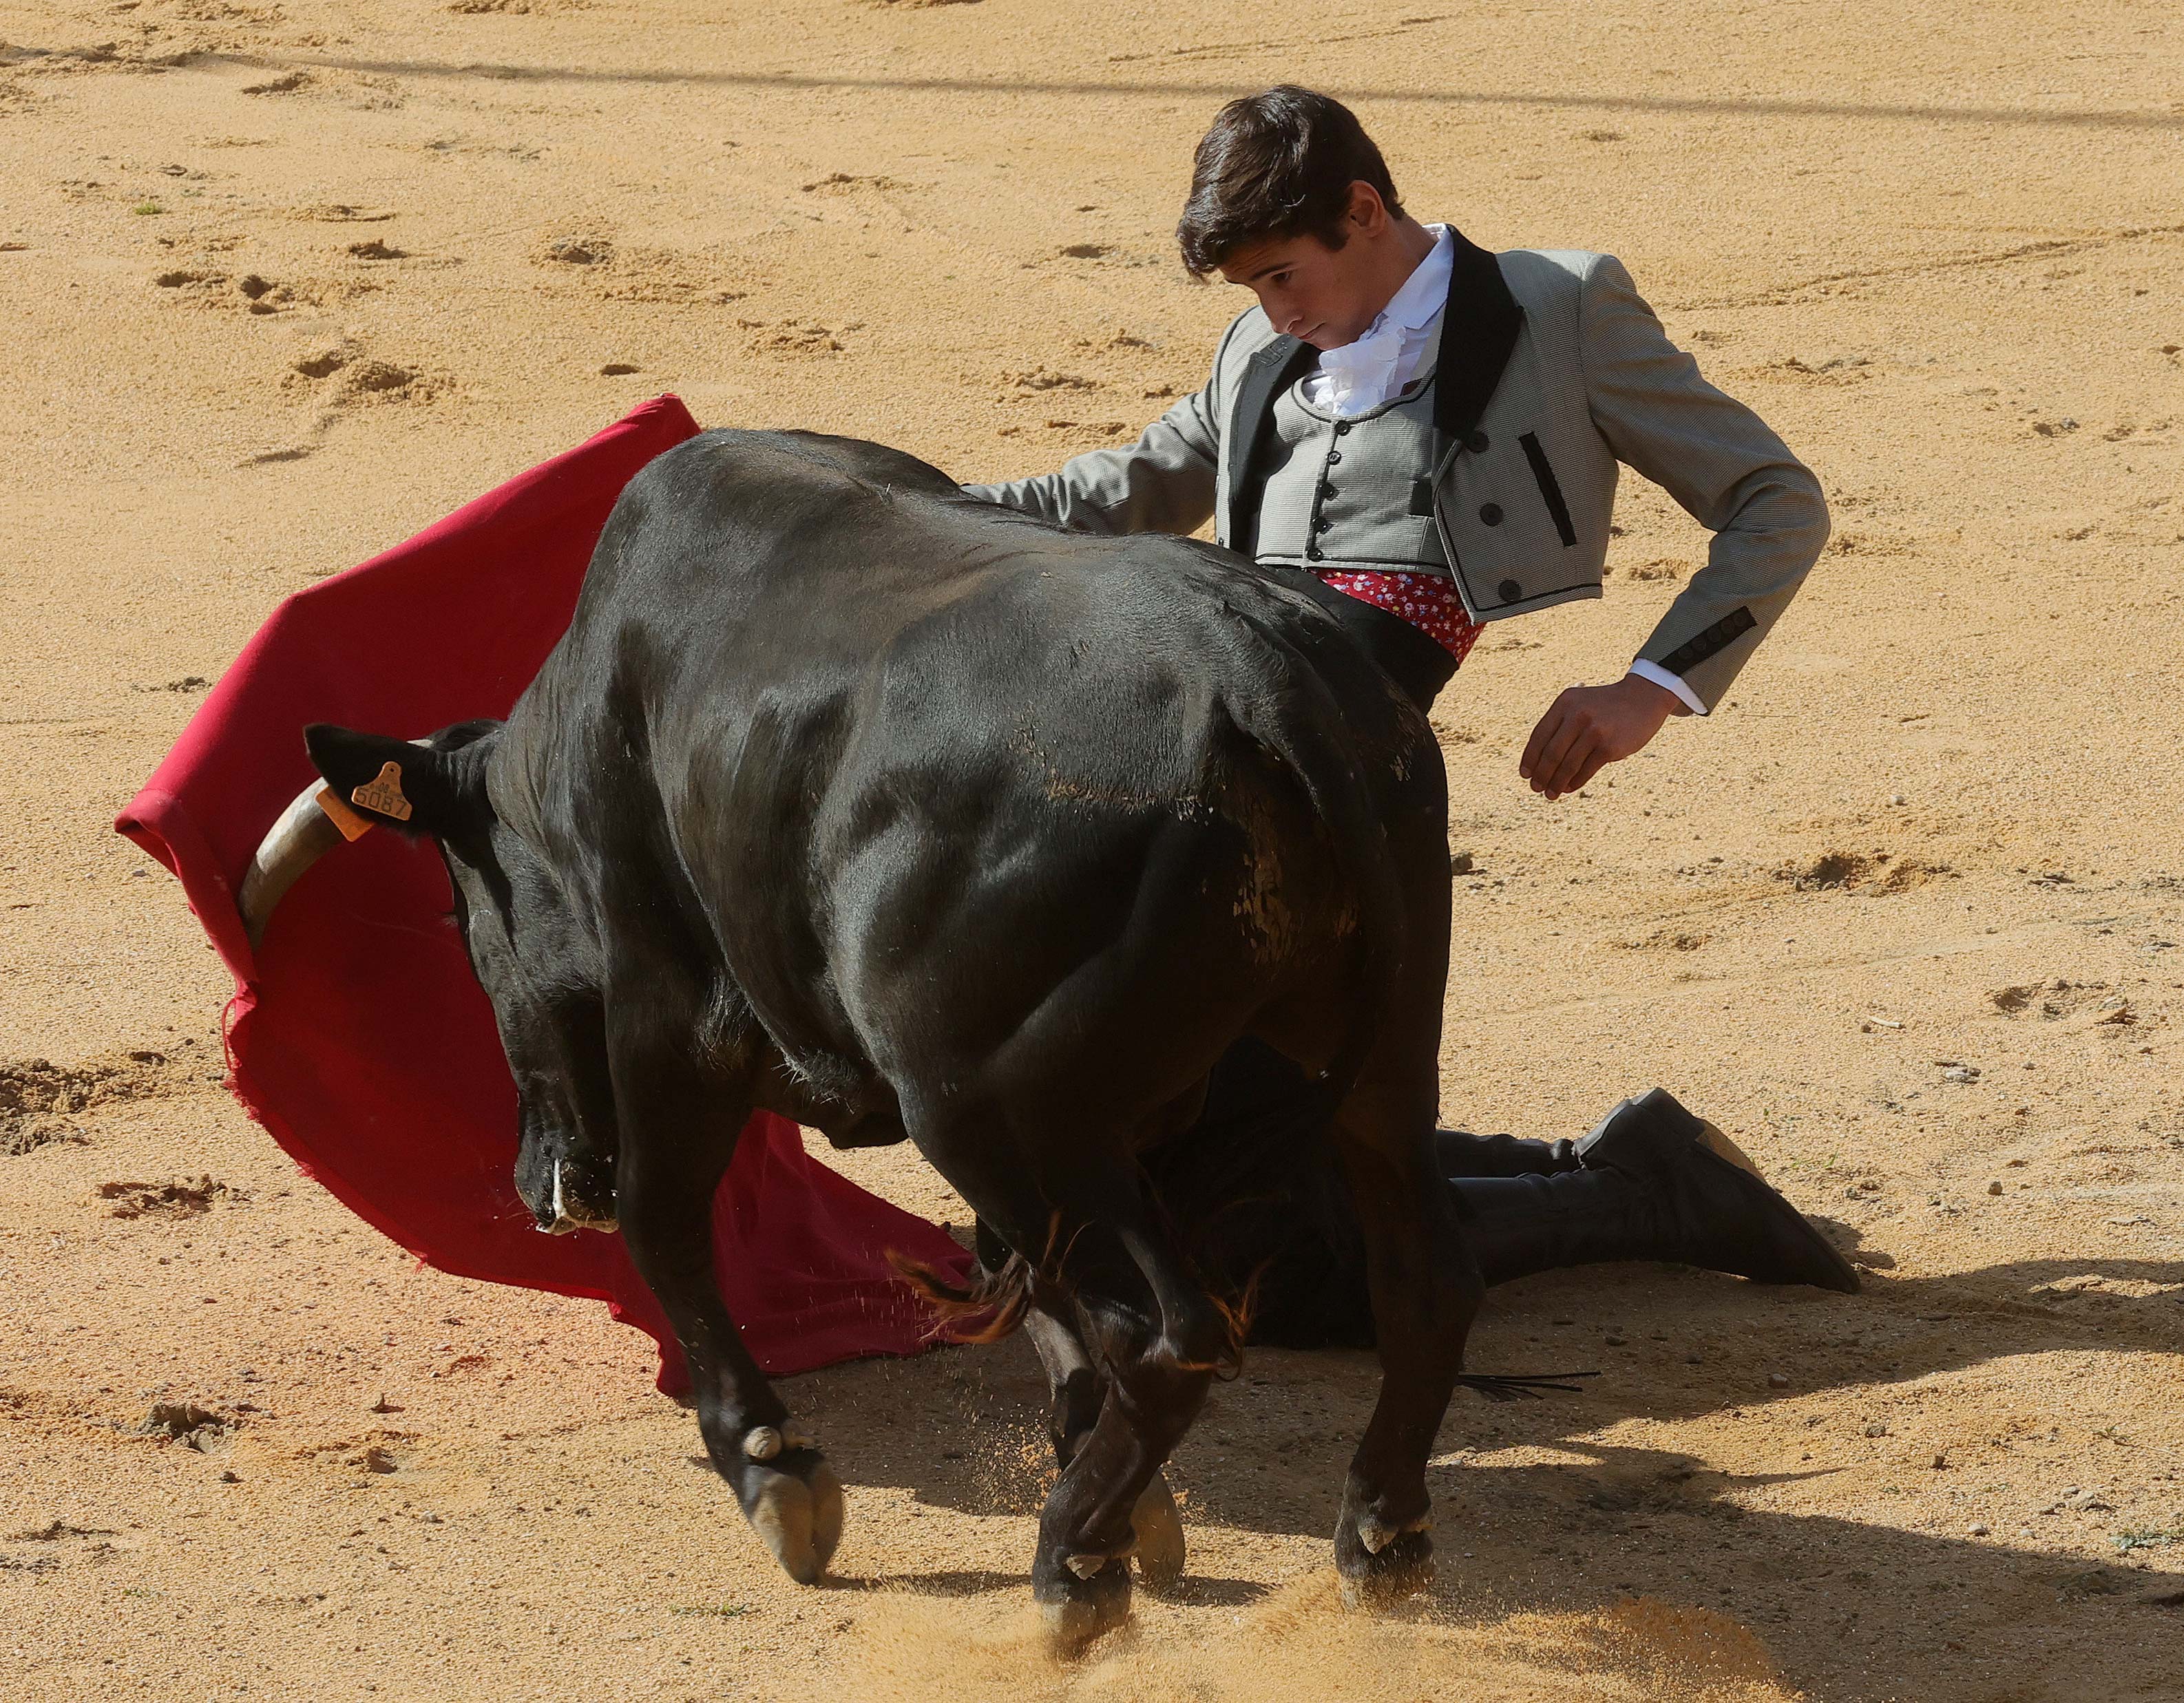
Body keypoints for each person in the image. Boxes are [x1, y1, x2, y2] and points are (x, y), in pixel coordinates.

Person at [963, 86, 1853, 1322]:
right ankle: (1618, 1162)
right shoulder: (1260, 347)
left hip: (1329, 797)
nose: (1275, 313)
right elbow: (1123, 488)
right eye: (1253, 291)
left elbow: (1775, 499)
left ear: (1365, 211)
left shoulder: (1560, 306)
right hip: (1208, 753)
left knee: (1263, 1259)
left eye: (1284, 276)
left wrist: (1652, 688)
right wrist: (908, 515)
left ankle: (1656, 1195)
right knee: (1156, 1177)